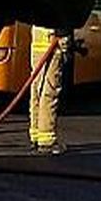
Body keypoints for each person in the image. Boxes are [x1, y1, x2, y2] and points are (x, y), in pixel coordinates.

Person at [28, 25, 69, 155]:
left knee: (37, 88)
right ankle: (47, 140)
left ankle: (35, 134)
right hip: (52, 41)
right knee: (50, 90)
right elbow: (62, 20)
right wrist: (64, 44)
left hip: (38, 40)